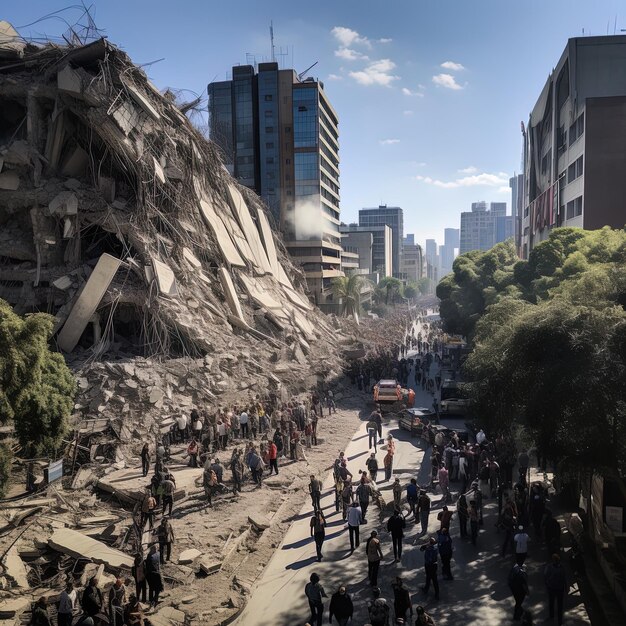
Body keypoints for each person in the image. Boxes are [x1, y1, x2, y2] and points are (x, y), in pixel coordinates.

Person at [544, 553, 567, 625]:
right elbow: (564, 578)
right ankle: (559, 621)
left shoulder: (549, 567)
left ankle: (551, 616)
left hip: (552, 588)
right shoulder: (562, 568)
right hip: (560, 589)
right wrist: (566, 587)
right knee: (559, 605)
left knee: (551, 603)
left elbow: (546, 576)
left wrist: (547, 585)